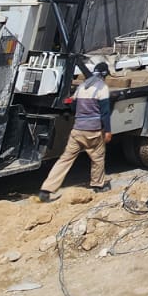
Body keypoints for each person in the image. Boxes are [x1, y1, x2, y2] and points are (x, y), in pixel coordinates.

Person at [37, 62, 112, 201]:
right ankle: (98, 185)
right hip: (93, 132)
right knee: (98, 158)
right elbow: (105, 113)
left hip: (77, 130)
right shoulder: (102, 88)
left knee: (65, 159)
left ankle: (46, 189)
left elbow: (72, 105)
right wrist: (107, 131)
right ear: (104, 75)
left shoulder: (82, 86)